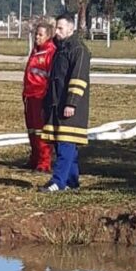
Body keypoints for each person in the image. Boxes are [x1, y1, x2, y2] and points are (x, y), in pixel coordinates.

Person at [39, 13, 91, 193]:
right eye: (57, 28)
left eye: (61, 28)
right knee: (65, 146)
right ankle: (72, 181)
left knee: (65, 144)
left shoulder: (79, 50)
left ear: (71, 29)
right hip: (55, 105)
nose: (58, 32)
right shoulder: (59, 50)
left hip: (69, 108)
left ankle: (58, 181)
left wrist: (72, 103)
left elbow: (79, 78)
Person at [23, 21, 57, 172]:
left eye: (40, 35)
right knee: (31, 129)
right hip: (29, 95)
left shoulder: (50, 52)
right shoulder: (35, 51)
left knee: (40, 130)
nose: (37, 37)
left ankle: (44, 162)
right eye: (36, 34)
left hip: (40, 96)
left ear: (48, 36)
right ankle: (34, 157)